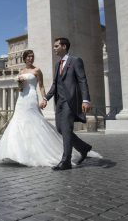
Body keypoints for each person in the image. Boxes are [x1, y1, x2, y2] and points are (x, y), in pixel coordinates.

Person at [0, 49, 100, 167]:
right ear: (24, 58)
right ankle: (17, 152)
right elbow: (20, 88)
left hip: (31, 97)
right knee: (17, 122)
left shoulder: (37, 70)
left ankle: (54, 152)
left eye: (32, 56)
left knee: (34, 122)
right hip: (21, 99)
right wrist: (19, 82)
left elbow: (41, 86)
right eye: (28, 57)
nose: (30, 58)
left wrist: (44, 99)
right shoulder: (21, 71)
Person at [40, 37, 97, 171]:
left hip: (71, 101)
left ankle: (66, 161)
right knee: (60, 129)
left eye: (56, 46)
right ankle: (83, 148)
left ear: (64, 46)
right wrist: (46, 98)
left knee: (66, 129)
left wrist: (85, 99)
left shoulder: (75, 61)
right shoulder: (57, 64)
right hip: (59, 101)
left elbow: (82, 80)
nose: (54, 48)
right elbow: (55, 84)